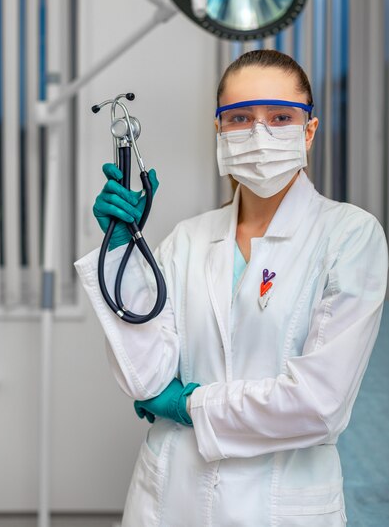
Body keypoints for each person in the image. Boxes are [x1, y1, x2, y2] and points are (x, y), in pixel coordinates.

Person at [74, 49, 388, 527]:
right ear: (219, 130)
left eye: (281, 116)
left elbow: (318, 406)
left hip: (281, 505)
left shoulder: (350, 235)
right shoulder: (188, 238)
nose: (259, 133)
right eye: (240, 117)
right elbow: (145, 378)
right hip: (169, 497)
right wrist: (122, 253)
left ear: (309, 130)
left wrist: (188, 405)